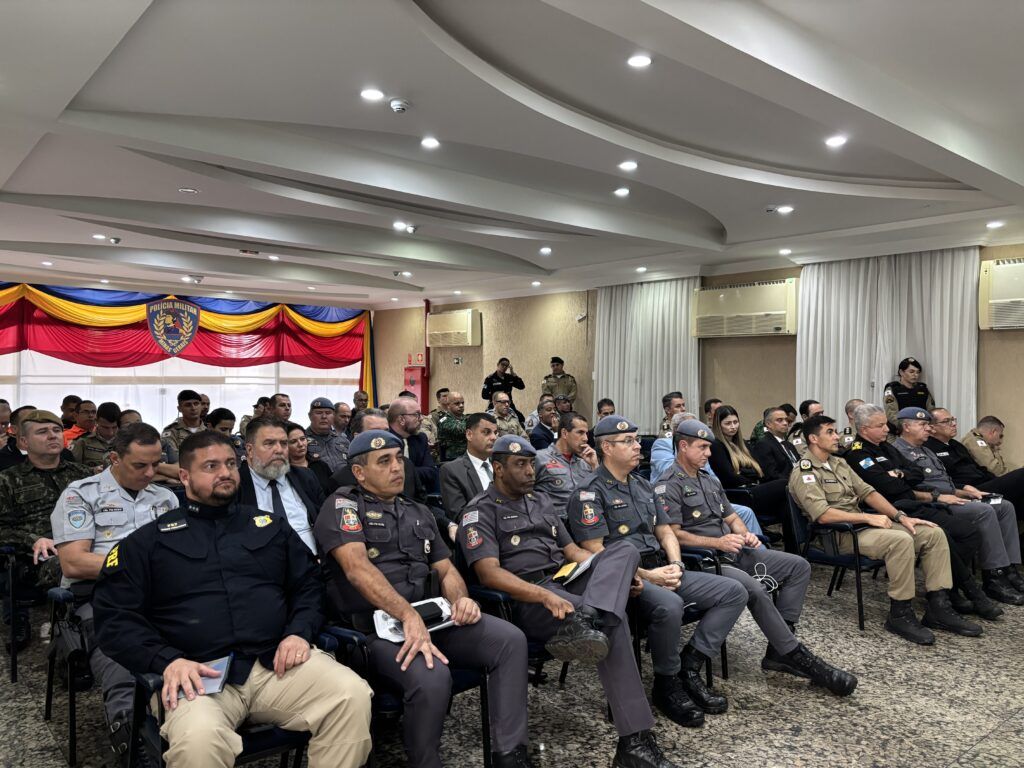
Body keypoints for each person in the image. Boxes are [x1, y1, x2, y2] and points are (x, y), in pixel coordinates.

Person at [93, 430, 373, 768]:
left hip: (274, 664)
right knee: (199, 741)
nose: (225, 472)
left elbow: (309, 585)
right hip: (196, 673)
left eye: (229, 463)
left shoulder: (270, 528)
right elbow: (114, 618)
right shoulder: (146, 543)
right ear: (184, 476)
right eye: (210, 466)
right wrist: (166, 661)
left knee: (350, 695)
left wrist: (299, 631)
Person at [459, 435, 683, 768]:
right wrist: (546, 594)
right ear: (498, 468)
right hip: (530, 598)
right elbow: (489, 574)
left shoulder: (540, 502)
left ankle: (590, 617)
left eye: (531, 463)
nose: (529, 471)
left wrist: (616, 575)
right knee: (615, 621)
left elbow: (575, 552)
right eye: (519, 464)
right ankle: (635, 742)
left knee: (623, 551)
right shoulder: (479, 511)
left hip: (568, 585)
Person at [315, 430, 532, 768]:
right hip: (374, 632)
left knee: (509, 640)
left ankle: (509, 753)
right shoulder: (343, 506)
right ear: (359, 472)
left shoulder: (418, 510)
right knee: (432, 675)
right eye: (383, 461)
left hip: (432, 619)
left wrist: (462, 600)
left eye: (398, 459)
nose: (396, 468)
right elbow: (357, 569)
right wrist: (407, 616)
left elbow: (446, 570)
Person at [569, 416, 749, 725]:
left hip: (661, 567)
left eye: (637, 439)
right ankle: (666, 684)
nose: (638, 446)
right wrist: (649, 576)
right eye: (629, 441)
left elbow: (666, 531)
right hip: (627, 581)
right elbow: (594, 550)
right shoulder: (589, 492)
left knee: (733, 592)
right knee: (670, 605)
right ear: (607, 447)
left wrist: (676, 565)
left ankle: (688, 666)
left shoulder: (642, 485)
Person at [660, 419, 857, 694]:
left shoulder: (708, 479)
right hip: (703, 560)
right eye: (703, 448)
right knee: (751, 588)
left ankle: (778, 649)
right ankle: (793, 654)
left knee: (798, 566)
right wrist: (717, 542)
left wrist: (746, 534)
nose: (708, 454)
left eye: (709, 448)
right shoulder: (668, 483)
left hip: (733, 551)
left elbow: (731, 516)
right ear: (683, 446)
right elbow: (673, 535)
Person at [51, 423, 178, 759]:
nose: (151, 473)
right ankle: (129, 732)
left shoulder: (165, 498)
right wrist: (141, 565)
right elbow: (75, 563)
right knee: (122, 652)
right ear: (114, 458)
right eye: (140, 465)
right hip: (99, 595)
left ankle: (197, 719)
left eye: (156, 464)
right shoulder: (81, 494)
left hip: (162, 595)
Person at [789, 415, 958, 645]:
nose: (837, 436)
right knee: (900, 541)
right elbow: (824, 514)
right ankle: (900, 613)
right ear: (813, 439)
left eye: (835, 431)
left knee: (932, 533)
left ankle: (939, 606)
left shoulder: (839, 462)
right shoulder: (804, 472)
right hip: (840, 535)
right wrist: (867, 517)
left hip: (863, 528)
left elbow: (869, 493)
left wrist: (901, 517)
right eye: (830, 432)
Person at [844, 404, 999, 621]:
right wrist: (901, 477)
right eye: (880, 426)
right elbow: (888, 487)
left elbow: (917, 473)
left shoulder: (887, 448)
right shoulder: (858, 453)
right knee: (945, 534)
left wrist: (898, 473)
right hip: (893, 509)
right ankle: (963, 592)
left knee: (968, 532)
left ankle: (950, 589)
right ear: (864, 428)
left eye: (885, 424)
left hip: (913, 503)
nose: (887, 429)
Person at [891, 408, 1024, 605]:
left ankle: (1010, 569)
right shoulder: (897, 452)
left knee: (1004, 506)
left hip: (953, 497)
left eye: (929, 424)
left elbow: (948, 483)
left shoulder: (926, 449)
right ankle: (993, 578)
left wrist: (967, 491)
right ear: (906, 427)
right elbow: (909, 488)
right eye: (922, 425)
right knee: (984, 511)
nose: (929, 428)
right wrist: (941, 497)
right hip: (933, 504)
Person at [0, 410, 92, 647]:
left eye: (57, 430)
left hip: (85, 545)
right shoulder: (7, 480)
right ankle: (69, 648)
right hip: (36, 559)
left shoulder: (82, 476)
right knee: (71, 568)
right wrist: (33, 538)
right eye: (42, 432)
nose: (52, 436)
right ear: (23, 442)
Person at [649, 413, 764, 537]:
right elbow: (668, 469)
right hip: (686, 501)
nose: (709, 453)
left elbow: (712, 477)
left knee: (745, 513)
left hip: (708, 499)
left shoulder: (707, 476)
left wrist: (749, 540)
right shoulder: (663, 446)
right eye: (703, 447)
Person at [237, 417, 325, 556]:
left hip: (315, 564)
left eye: (284, 443)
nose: (279, 450)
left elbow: (325, 524)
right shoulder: (236, 486)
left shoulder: (306, 478)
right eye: (269, 443)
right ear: (250, 450)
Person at [926, 408, 1024, 515]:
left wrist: (998, 481)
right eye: (946, 421)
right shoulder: (928, 448)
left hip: (984, 483)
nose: (953, 424)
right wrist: (962, 489)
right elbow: (940, 480)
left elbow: (978, 468)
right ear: (932, 428)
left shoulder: (956, 445)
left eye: (953, 419)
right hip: (969, 490)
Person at [708, 405, 787, 526]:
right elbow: (729, 477)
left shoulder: (743, 444)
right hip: (737, 495)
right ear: (719, 425)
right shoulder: (716, 445)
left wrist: (746, 474)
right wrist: (751, 476)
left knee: (786, 502)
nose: (733, 427)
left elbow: (759, 470)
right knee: (785, 483)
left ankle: (794, 541)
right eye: (728, 423)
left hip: (752, 489)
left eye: (735, 422)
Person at [440, 413, 498, 540]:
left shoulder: (501, 465)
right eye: (486, 432)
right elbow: (460, 515)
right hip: (481, 535)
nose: (493, 437)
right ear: (469, 435)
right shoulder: (452, 470)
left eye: (495, 432)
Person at [532, 411, 598, 518]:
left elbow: (598, 496)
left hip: (584, 522)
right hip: (553, 524)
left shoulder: (585, 462)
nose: (585, 438)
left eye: (586, 433)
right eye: (580, 432)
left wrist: (595, 466)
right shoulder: (540, 458)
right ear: (564, 433)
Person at [0, 405, 76, 471]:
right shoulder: (3, 458)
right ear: (14, 429)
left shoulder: (64, 454)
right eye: (29, 421)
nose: (52, 435)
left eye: (56, 430)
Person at [388, 397, 439, 493]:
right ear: (401, 419)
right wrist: (416, 471)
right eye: (417, 414)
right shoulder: (386, 440)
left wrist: (405, 472)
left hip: (417, 497)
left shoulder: (420, 438)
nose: (422, 418)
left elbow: (431, 472)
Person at [883, 357, 935, 433]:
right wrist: (907, 428)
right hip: (899, 432)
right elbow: (892, 414)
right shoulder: (893, 389)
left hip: (921, 430)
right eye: (911, 372)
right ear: (901, 372)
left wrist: (927, 426)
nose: (915, 375)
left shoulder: (922, 389)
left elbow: (931, 410)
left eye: (917, 372)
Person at [751, 406, 802, 482]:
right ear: (768, 424)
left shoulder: (789, 445)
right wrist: (794, 482)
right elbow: (771, 475)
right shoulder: (763, 445)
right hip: (783, 487)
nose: (785, 423)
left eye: (786, 420)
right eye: (779, 420)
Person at [69, 401, 121, 469]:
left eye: (114, 427)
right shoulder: (82, 442)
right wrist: (92, 471)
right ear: (96, 421)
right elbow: (72, 470)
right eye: (105, 427)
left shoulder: (127, 443)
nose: (110, 432)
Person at [285, 421, 334, 493]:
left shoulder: (320, 465)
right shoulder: (284, 473)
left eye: (302, 439)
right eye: (293, 441)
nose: (300, 444)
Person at [305, 397, 349, 473]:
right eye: (319, 413)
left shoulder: (343, 440)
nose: (324, 417)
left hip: (344, 483)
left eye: (328, 413)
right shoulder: (302, 441)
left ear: (334, 416)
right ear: (310, 416)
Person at [161, 389, 206, 454]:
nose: (193, 408)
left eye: (196, 404)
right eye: (188, 405)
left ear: (201, 406)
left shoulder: (209, 431)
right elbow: (173, 458)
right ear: (179, 409)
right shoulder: (172, 431)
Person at [436, 392, 468, 461]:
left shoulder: (465, 418)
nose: (461, 405)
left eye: (463, 403)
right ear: (448, 405)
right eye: (457, 403)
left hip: (466, 457)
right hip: (451, 459)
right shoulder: (444, 421)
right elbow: (461, 429)